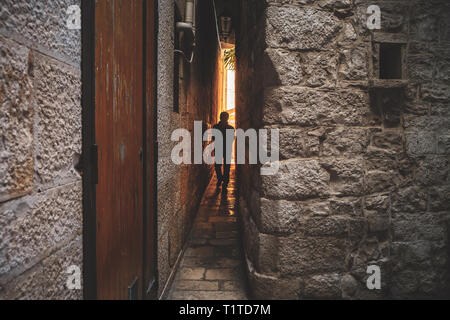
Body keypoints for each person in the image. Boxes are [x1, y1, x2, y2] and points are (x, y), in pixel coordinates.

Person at [213, 112, 235, 187]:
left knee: (220, 166)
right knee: (224, 166)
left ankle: (222, 180)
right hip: (226, 149)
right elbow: (232, 139)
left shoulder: (215, 127)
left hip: (221, 148)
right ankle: (224, 180)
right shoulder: (231, 128)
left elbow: (213, 138)